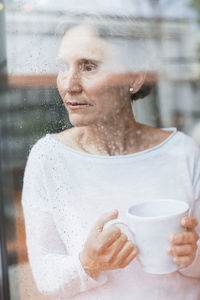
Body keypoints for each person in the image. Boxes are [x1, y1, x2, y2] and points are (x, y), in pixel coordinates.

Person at [22, 24, 200, 300]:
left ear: (135, 77)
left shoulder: (184, 153)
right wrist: (87, 262)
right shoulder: (47, 159)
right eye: (62, 66)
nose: (69, 84)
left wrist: (192, 255)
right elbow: (45, 276)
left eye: (89, 66)